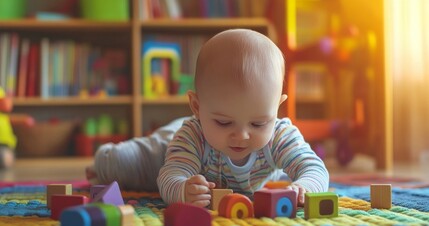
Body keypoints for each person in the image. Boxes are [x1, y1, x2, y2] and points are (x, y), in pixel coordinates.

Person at [87, 29, 329, 207]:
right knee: (122, 163)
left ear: (277, 108)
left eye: (258, 123)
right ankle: (100, 161)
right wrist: (182, 189)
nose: (242, 135)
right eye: (224, 122)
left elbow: (314, 168)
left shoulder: (280, 134)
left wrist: (304, 187)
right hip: (166, 151)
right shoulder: (192, 135)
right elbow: (170, 177)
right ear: (196, 107)